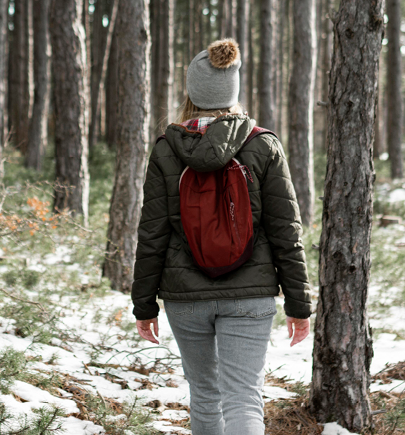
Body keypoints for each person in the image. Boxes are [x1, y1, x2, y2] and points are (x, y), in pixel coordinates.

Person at [131, 39, 312, 435]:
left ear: (191, 94)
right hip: (251, 293)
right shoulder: (263, 144)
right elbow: (286, 231)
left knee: (205, 395)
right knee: (244, 395)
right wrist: (299, 303)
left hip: (184, 295)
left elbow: (152, 233)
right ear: (233, 91)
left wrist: (144, 305)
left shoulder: (166, 149)